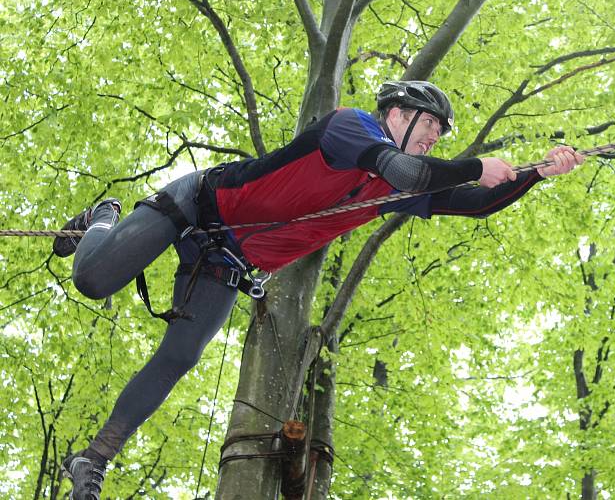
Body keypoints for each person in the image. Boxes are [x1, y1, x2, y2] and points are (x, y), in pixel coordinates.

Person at [55, 80, 583, 499]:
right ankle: (103, 215)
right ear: (397, 114)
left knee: (181, 354)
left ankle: (94, 456)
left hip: (227, 259)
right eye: (431, 127)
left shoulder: (389, 192)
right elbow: (413, 170)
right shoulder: (350, 128)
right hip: (199, 205)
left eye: (441, 134)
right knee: (93, 280)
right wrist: (474, 166)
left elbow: (473, 202)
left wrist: (536, 173)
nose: (435, 139)